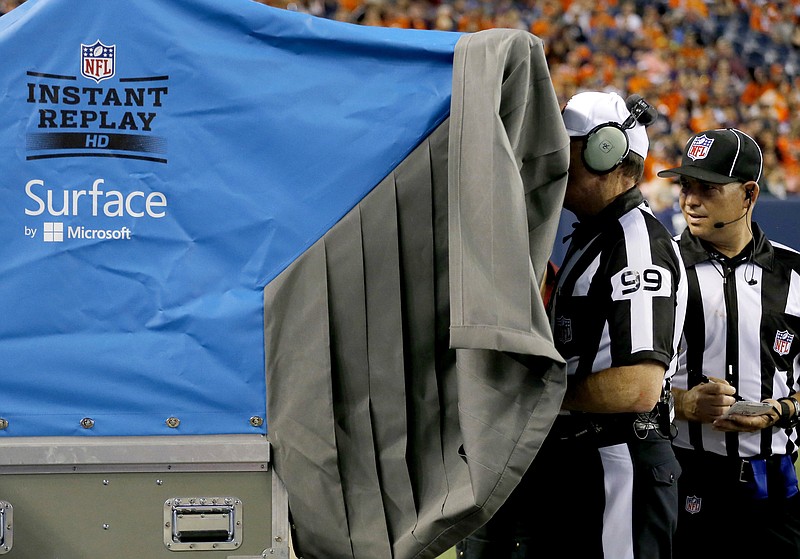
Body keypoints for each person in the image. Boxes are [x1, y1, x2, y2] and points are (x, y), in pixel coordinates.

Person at [457, 91, 687, 558]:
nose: (554, 164)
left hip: (616, 460)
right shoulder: (593, 237)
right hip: (588, 461)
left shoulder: (635, 245)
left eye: (567, 150)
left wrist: (533, 398)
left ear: (606, 152)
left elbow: (638, 386)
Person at [657, 128, 800, 558]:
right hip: (687, 477)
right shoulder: (661, 271)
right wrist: (682, 404)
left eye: (709, 188)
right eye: (686, 186)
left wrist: (782, 409)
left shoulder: (794, 274)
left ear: (749, 194)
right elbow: (618, 383)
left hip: (775, 483)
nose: (690, 200)